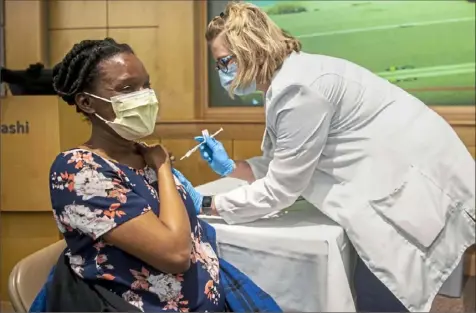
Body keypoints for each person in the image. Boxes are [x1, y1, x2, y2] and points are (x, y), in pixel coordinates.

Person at [192, 2, 476, 312]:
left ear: (250, 48)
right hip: (403, 166)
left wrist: (207, 204)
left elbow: (281, 189)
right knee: (380, 283)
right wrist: (235, 168)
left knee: (385, 285)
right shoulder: (292, 77)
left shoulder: (298, 88)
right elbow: (290, 161)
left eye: (224, 62)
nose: (222, 72)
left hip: (411, 177)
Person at [47, 38, 281, 312]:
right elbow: (175, 254)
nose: (144, 96)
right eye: (127, 88)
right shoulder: (79, 170)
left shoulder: (141, 155)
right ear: (87, 102)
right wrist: (163, 168)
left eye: (146, 85)